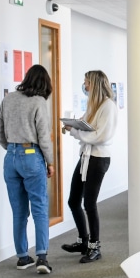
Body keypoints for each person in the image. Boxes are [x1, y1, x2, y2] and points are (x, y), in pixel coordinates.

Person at [0, 64, 55, 274]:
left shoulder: (8, 98)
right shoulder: (38, 102)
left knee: (18, 211)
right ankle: (42, 258)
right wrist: (51, 161)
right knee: (39, 207)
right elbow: (44, 137)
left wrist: (11, 148)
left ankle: (22, 257)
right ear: (44, 83)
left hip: (10, 158)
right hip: (31, 156)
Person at [60, 70, 118, 263]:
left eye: (86, 82)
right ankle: (83, 241)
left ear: (94, 84)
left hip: (98, 158)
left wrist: (75, 131)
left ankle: (95, 246)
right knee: (73, 200)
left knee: (89, 203)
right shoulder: (94, 104)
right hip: (86, 156)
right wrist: (73, 126)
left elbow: (100, 136)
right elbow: (86, 126)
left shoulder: (108, 106)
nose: (84, 86)